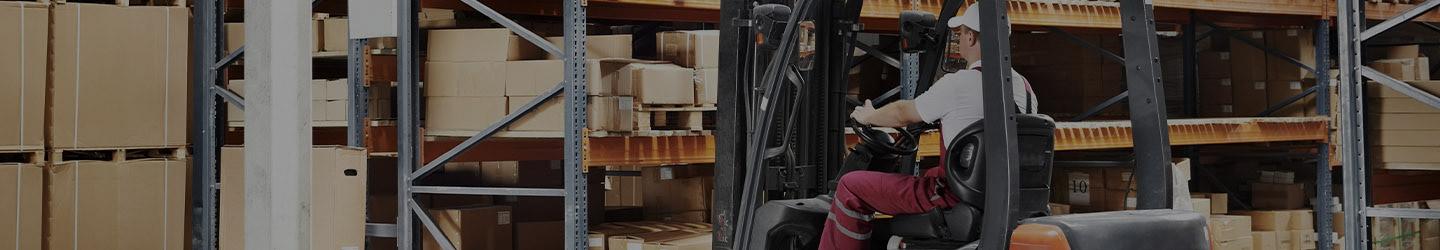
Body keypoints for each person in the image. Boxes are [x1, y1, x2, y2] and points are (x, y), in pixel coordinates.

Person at [819, 5, 1038, 249]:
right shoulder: (1025, 89)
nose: (959, 39)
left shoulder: (959, 84)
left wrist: (869, 116)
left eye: (961, 33)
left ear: (971, 37)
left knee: (851, 187)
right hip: (1000, 198)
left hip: (951, 196)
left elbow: (903, 113)